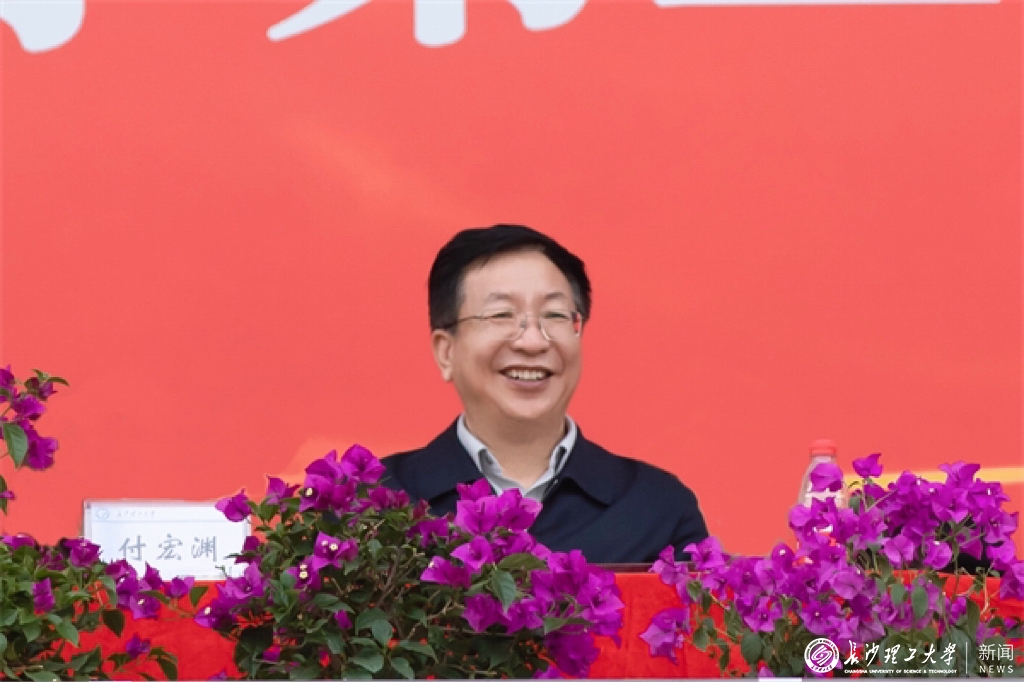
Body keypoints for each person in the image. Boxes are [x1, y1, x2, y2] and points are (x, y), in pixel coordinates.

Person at [381, 224, 708, 563]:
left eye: (554, 315)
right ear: (446, 352)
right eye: (501, 315)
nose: (533, 341)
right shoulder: (377, 503)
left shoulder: (657, 509)